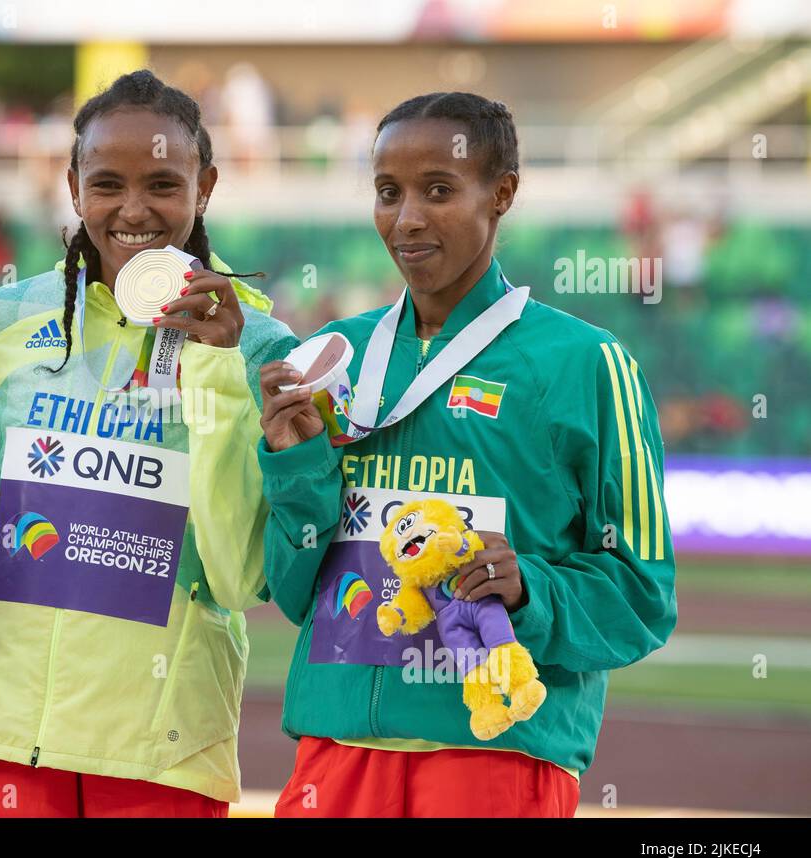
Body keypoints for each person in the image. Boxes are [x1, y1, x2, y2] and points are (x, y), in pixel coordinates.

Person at [258, 92, 677, 818]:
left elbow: (643, 595)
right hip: (336, 753)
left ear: (502, 192)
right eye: (388, 192)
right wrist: (294, 469)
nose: (407, 218)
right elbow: (296, 594)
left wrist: (529, 590)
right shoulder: (336, 357)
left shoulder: (585, 363)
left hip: (493, 757)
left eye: (439, 190)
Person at [0, 70, 297, 818]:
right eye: (107, 184)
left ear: (207, 185)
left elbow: (238, 579)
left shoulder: (260, 344)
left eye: (164, 183)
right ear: (71, 187)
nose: (134, 210)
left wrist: (219, 372)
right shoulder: (7, 319)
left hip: (161, 755)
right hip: (3, 741)